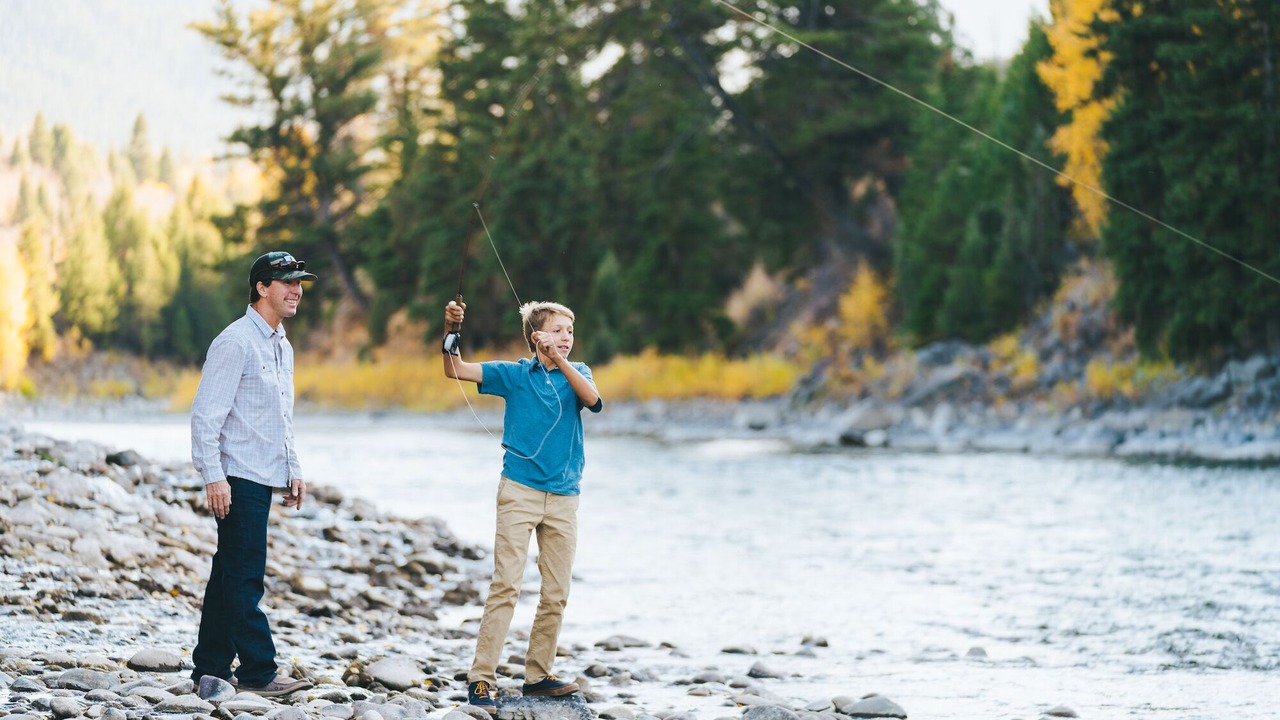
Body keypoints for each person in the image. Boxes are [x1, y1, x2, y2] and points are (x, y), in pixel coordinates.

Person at [442, 299, 604, 714]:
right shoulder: (513, 375)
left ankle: (538, 676)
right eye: (557, 331)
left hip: (565, 497)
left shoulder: (578, 373)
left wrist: (559, 360)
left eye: (570, 331)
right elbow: (454, 369)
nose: (566, 338)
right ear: (536, 336)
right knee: (506, 585)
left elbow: (594, 401)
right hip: (518, 492)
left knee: (557, 592)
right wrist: (450, 328)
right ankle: (481, 679)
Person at [189, 251, 318, 698]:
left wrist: (293, 470)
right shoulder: (236, 342)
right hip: (237, 476)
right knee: (245, 577)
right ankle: (261, 672)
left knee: (228, 572)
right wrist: (214, 476)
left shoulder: (282, 344)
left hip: (263, 475)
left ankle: (210, 665)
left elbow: (281, 417)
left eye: (299, 281)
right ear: (262, 288)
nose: (296, 289)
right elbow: (206, 417)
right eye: (286, 281)